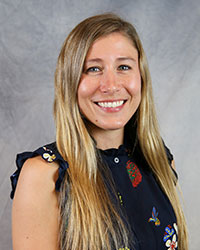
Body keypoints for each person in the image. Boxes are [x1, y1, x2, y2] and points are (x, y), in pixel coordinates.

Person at [10, 13, 188, 250]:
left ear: (141, 77)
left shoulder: (161, 164)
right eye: (93, 69)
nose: (111, 86)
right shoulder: (45, 175)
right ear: (70, 81)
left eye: (124, 67)